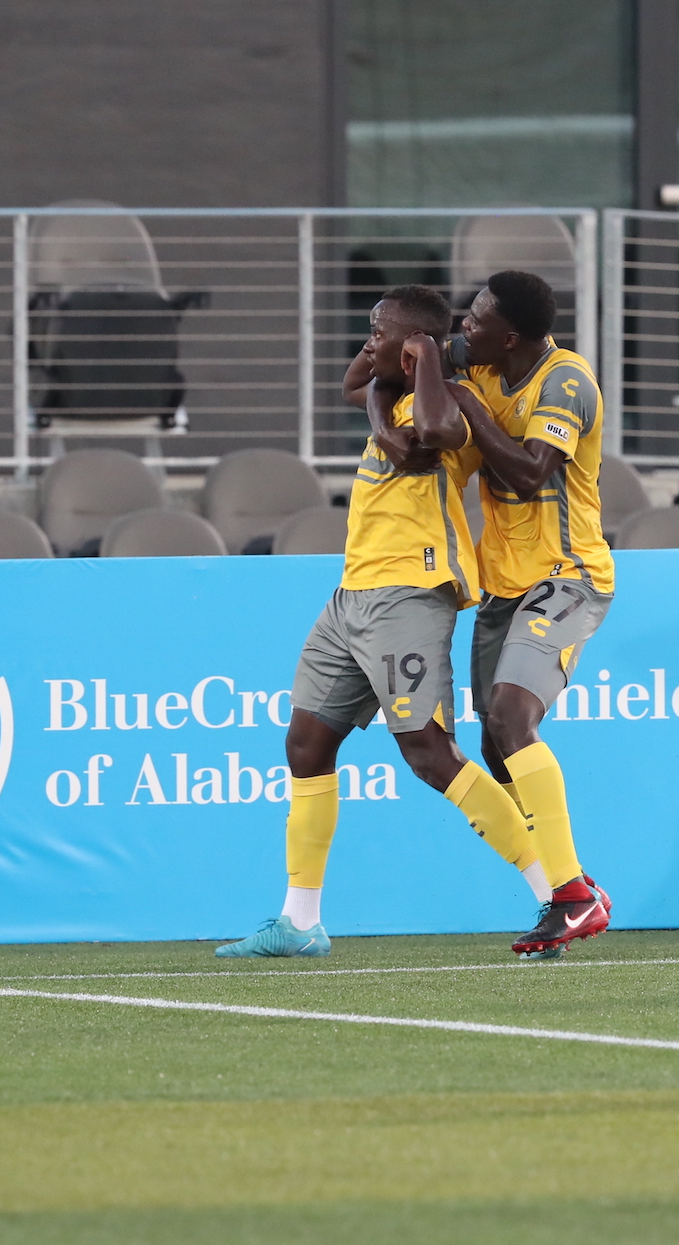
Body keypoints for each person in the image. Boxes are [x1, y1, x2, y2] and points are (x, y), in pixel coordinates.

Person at [216, 285, 540, 959]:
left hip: (410, 591)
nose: (367, 341)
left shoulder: (446, 401)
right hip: (352, 593)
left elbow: (439, 434)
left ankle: (557, 889)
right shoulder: (388, 395)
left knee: (430, 754)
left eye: (378, 331)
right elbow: (353, 382)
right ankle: (300, 920)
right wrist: (381, 389)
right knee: (306, 742)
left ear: (418, 346)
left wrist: (424, 363)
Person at [452, 271, 616, 957]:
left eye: (477, 317)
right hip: (502, 587)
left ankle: (569, 895)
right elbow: (397, 356)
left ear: (510, 336)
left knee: (513, 716)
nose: (466, 324)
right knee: (496, 743)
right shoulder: (482, 362)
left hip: (568, 577)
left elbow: (528, 471)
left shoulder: (565, 383)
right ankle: (576, 890)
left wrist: (463, 399)